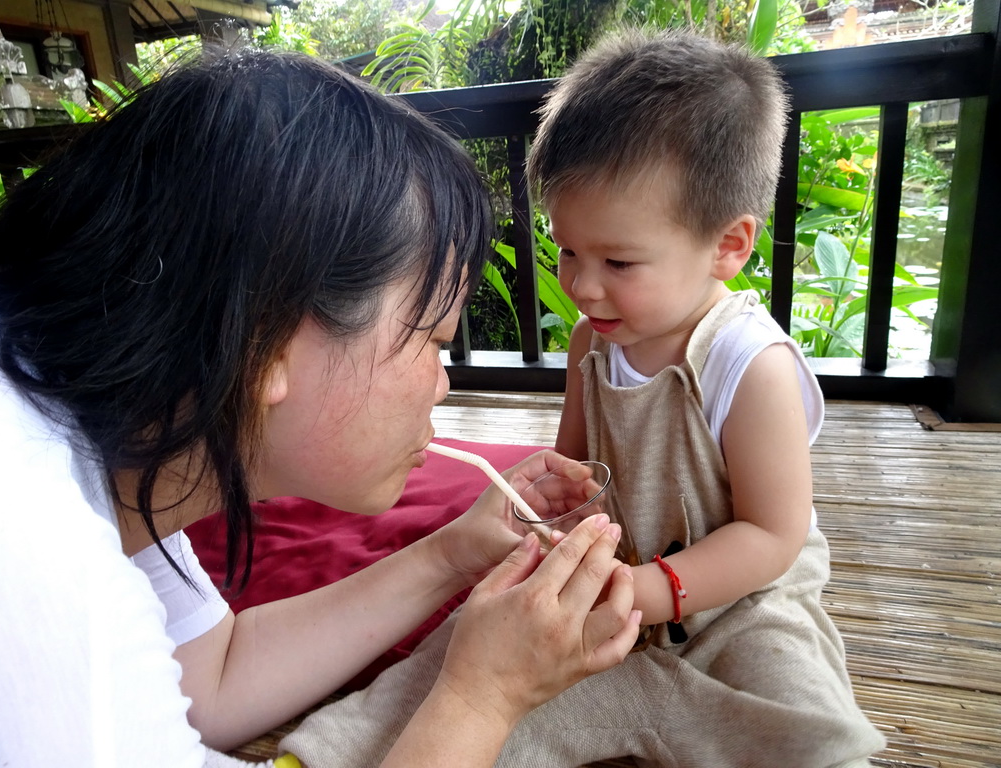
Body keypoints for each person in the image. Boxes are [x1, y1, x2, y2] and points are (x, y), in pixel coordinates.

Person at [0, 49, 643, 768]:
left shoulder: (121, 437)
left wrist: (454, 553)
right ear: (265, 341)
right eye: (432, 342)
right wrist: (483, 695)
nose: (440, 385)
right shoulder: (36, 568)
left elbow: (213, 681)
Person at [276, 29, 887, 767]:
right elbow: (578, 465)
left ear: (728, 245)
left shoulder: (747, 365)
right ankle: (325, 754)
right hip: (611, 581)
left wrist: (648, 592)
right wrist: (554, 514)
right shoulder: (592, 343)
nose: (581, 285)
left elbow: (773, 537)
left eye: (618, 261)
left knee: (808, 724)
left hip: (739, 611)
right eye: (568, 250)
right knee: (462, 650)